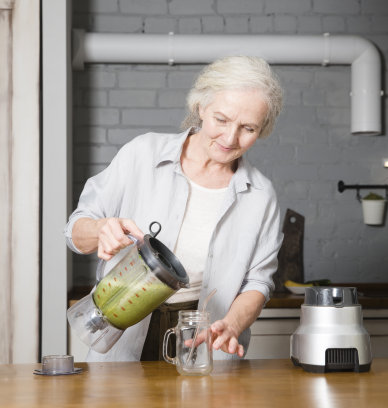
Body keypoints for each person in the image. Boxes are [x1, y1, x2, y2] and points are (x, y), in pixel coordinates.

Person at [64, 55, 284, 362]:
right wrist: (100, 230)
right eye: (221, 119)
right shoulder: (142, 154)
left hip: (203, 337)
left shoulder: (261, 195)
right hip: (123, 325)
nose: (230, 138)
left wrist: (232, 325)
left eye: (248, 128)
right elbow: (75, 231)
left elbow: (258, 282)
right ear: (200, 107)